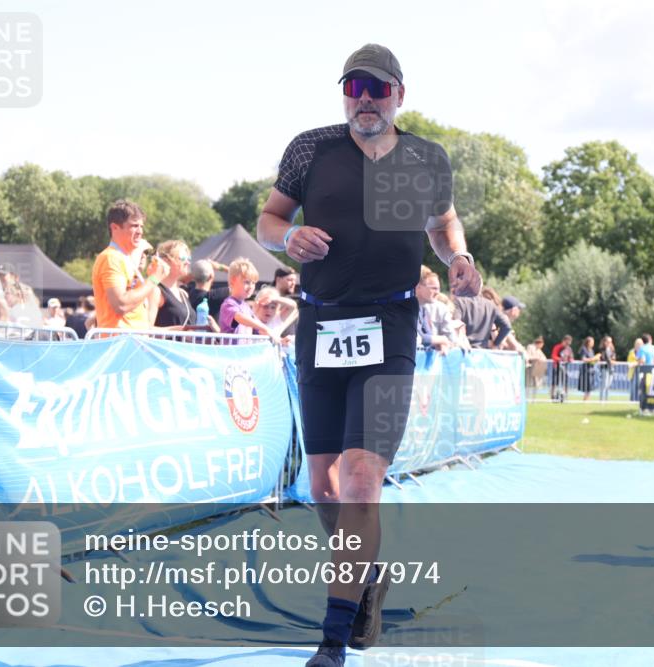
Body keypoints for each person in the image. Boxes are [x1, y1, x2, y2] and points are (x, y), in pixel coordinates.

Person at [255, 43, 481, 667]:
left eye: (377, 89)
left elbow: (443, 225)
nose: (364, 99)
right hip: (322, 327)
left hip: (390, 326)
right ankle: (368, 575)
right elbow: (269, 218)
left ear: (399, 95)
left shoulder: (425, 158)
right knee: (322, 488)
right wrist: (287, 237)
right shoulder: (310, 148)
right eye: (354, 87)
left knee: (360, 483)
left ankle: (334, 638)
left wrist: (457, 257)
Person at [92, 200, 169, 330]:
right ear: (115, 228)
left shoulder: (125, 259)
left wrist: (182, 330)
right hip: (120, 345)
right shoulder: (111, 258)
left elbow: (138, 319)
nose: (140, 231)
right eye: (134, 226)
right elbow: (121, 305)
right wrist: (154, 279)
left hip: (133, 343)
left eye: (141, 226)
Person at [218, 257, 279, 343]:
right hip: (231, 354)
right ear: (232, 281)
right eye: (247, 282)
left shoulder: (246, 307)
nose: (251, 287)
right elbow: (239, 317)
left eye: (253, 283)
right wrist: (264, 328)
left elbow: (259, 328)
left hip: (244, 353)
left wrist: (280, 340)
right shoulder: (228, 304)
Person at [153, 240, 198, 328]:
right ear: (166, 261)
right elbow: (146, 329)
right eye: (182, 258)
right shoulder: (156, 291)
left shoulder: (183, 293)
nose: (187, 262)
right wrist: (173, 331)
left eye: (189, 259)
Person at [187, 259, 229, 326]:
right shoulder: (216, 296)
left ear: (193, 277)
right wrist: (221, 267)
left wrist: (196, 271)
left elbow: (179, 280)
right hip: (213, 335)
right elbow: (243, 282)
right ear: (211, 276)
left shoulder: (186, 293)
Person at [550, 334, 574, 402]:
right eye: (567, 343)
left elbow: (571, 357)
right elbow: (553, 356)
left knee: (565, 382)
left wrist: (570, 359)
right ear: (563, 341)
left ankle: (565, 396)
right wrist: (560, 359)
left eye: (569, 343)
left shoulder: (569, 349)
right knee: (554, 382)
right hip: (556, 367)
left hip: (564, 368)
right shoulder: (557, 347)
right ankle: (552, 396)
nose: (568, 344)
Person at [578, 336, 601, 400]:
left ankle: (587, 400)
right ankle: (585, 401)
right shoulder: (583, 349)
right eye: (592, 342)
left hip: (591, 370)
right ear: (588, 342)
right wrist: (594, 358)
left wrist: (596, 360)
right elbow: (584, 359)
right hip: (585, 370)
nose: (593, 343)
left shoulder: (591, 350)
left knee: (590, 388)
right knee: (587, 388)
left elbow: (592, 361)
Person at [598, 335, 616, 402]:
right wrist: (610, 361)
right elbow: (604, 358)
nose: (610, 343)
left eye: (610, 342)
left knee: (608, 385)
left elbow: (614, 357)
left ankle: (606, 400)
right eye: (608, 341)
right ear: (605, 342)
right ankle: (601, 400)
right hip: (604, 368)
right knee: (604, 385)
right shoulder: (602, 349)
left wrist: (612, 360)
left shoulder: (612, 349)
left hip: (611, 368)